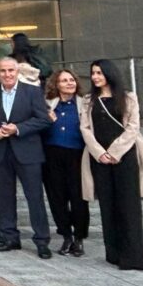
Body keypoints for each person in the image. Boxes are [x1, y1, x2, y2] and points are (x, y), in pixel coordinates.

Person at [80, 59, 143, 270]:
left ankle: (131, 257)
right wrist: (100, 153)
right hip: (100, 158)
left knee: (128, 206)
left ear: (109, 74)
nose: (95, 77)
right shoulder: (89, 100)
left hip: (124, 157)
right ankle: (113, 252)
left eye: (99, 73)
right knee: (107, 205)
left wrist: (115, 152)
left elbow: (133, 127)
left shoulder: (128, 97)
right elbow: (85, 128)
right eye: (93, 73)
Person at [0, 56, 53, 258]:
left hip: (28, 153)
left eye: (11, 70)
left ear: (17, 72)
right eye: (3, 71)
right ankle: (10, 237)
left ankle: (42, 241)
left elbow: (43, 120)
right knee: (4, 198)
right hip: (1, 153)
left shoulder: (32, 92)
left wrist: (18, 129)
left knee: (34, 198)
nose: (7, 74)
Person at [42, 69, 90, 257]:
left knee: (78, 198)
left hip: (76, 156)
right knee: (57, 199)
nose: (69, 83)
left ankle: (79, 237)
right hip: (52, 156)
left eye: (72, 80)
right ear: (57, 84)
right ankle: (66, 236)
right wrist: (46, 121)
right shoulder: (48, 105)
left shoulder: (84, 104)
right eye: (64, 80)